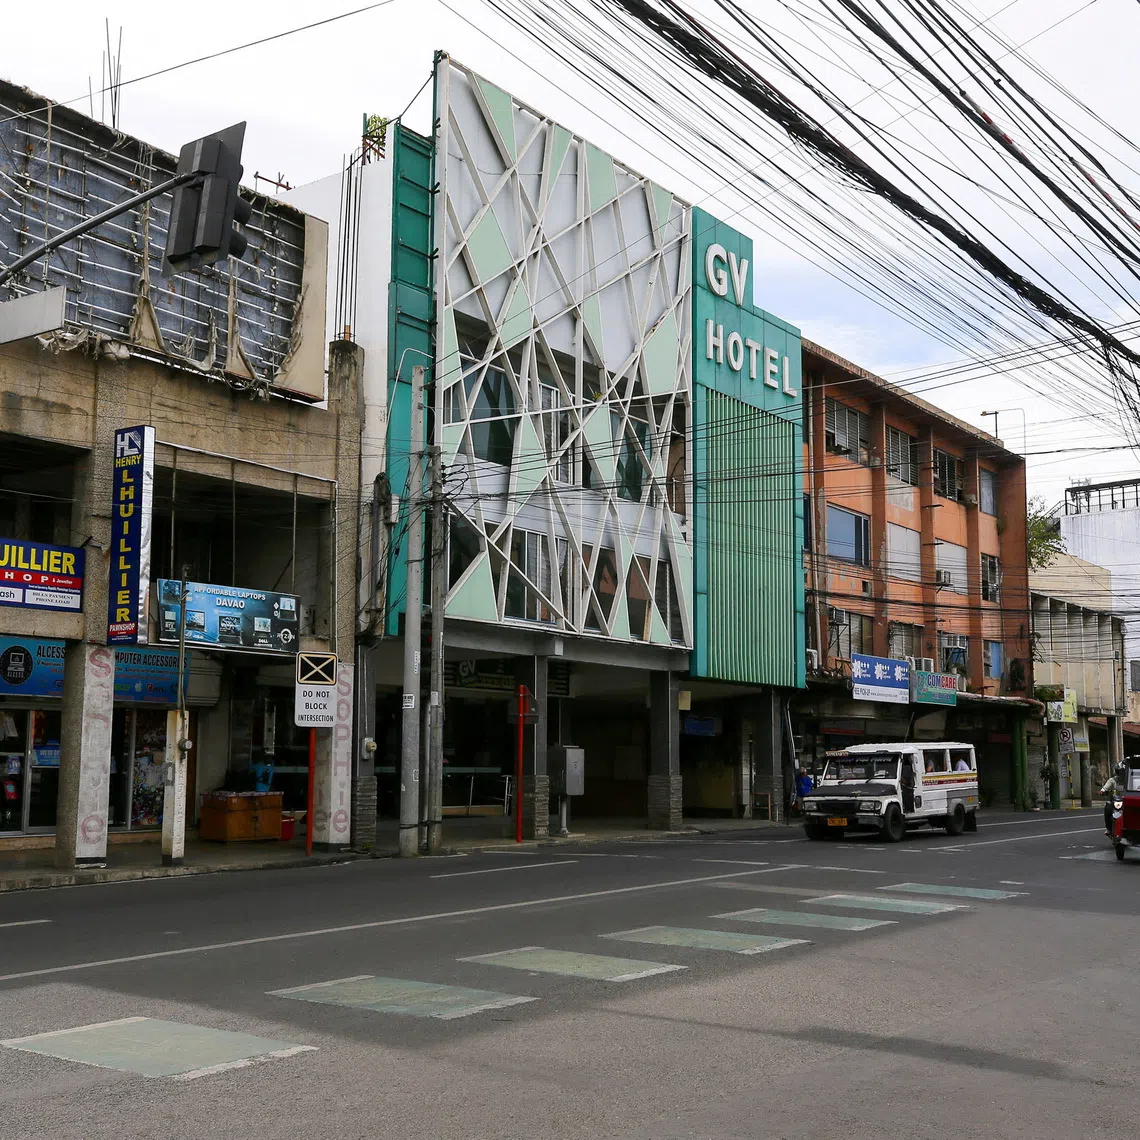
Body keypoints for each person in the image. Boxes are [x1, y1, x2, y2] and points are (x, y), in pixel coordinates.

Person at [1101, 764, 1126, 835]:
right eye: (1119, 772)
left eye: (1123, 772)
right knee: (1107, 808)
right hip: (1116, 801)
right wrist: (1102, 791)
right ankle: (1108, 828)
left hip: (1126, 801)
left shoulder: (1130, 780)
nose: (1121, 774)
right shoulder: (1112, 780)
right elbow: (1105, 788)